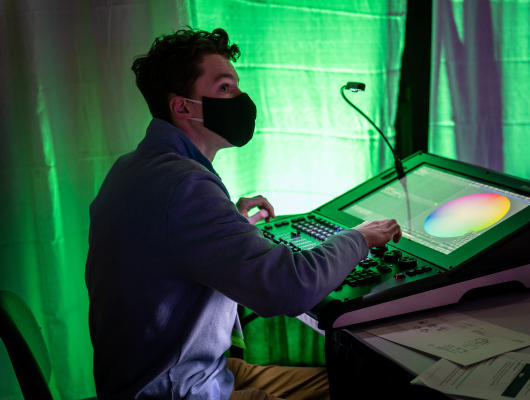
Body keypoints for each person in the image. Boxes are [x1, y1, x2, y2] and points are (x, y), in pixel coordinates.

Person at [85, 27, 401, 400]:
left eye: (236, 86)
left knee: (351, 382)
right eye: (224, 89)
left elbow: (166, 247)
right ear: (182, 106)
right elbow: (288, 288)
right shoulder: (185, 186)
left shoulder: (134, 167)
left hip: (166, 374)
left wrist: (230, 223)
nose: (240, 99)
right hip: (177, 389)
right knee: (372, 390)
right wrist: (359, 238)